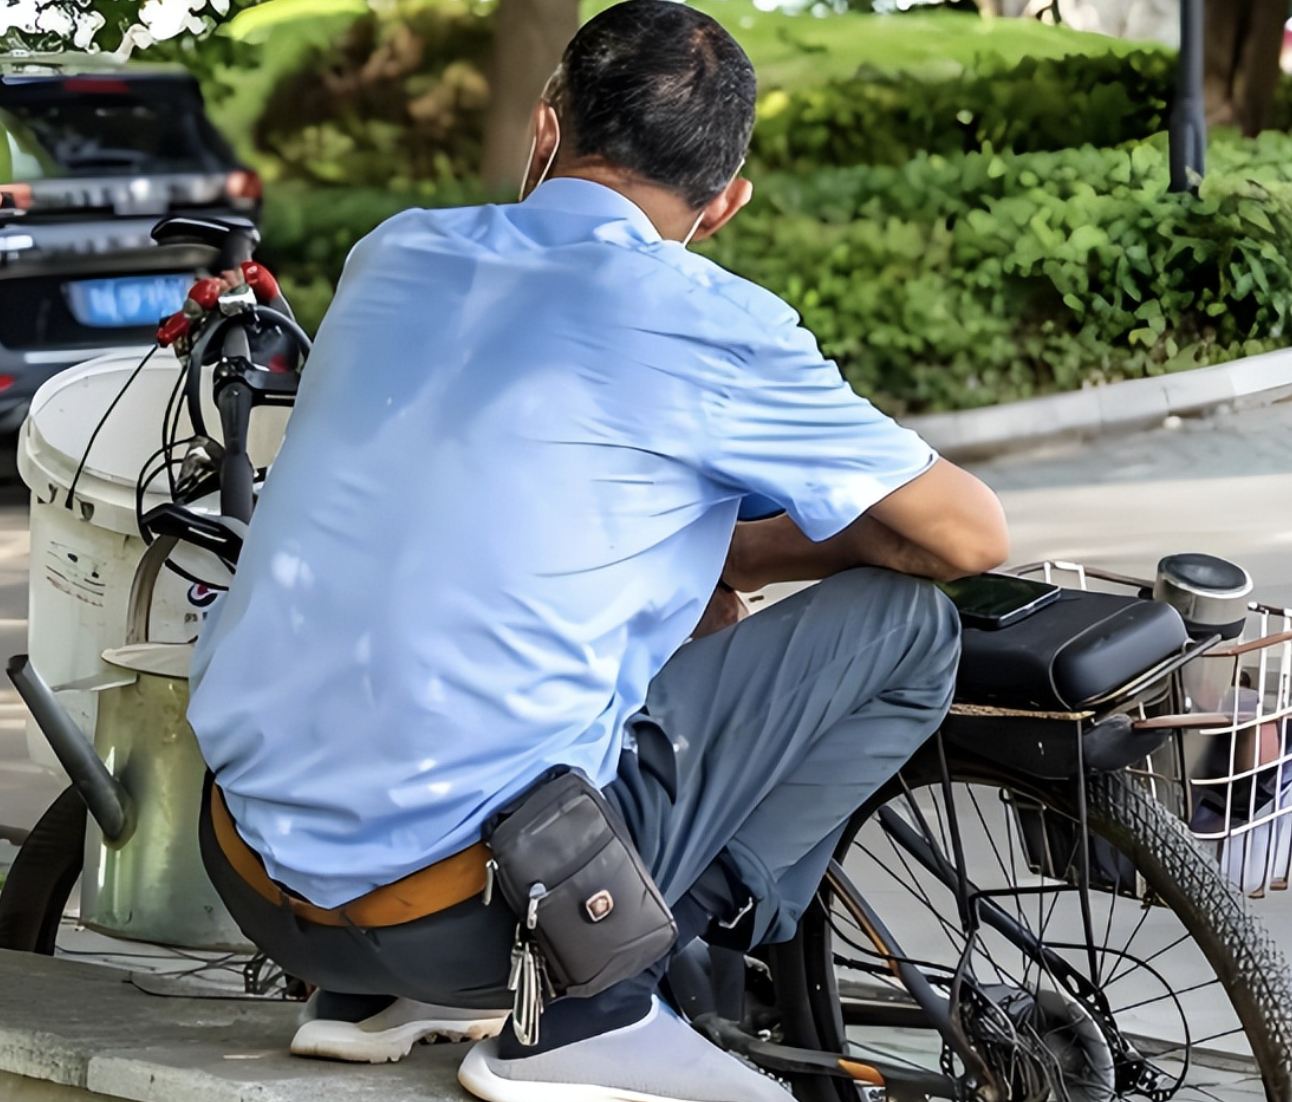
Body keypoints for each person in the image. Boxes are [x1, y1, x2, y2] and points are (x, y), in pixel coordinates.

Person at [186, 3, 1009, 1100]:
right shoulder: (709, 321)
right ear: (724, 202)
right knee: (909, 626)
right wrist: (758, 556)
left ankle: (377, 998)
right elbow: (968, 534)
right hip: (475, 920)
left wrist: (724, 562)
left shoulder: (394, 252)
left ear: (545, 132)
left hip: (249, 873)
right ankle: (601, 994)